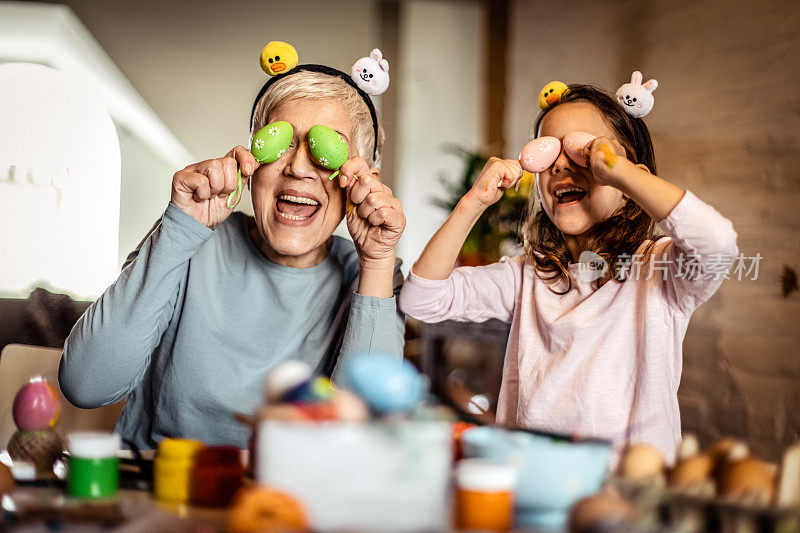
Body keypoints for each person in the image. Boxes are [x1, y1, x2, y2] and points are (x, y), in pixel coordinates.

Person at [59, 65, 406, 449]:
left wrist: (376, 264)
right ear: (252, 164)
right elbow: (86, 384)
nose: (297, 168)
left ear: (362, 181)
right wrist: (179, 229)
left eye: (325, 148)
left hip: (283, 503)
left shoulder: (372, 274)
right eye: (283, 142)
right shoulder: (193, 239)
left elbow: (361, 447)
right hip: (157, 492)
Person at [398, 83, 738, 466]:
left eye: (583, 152)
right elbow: (421, 299)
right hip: (533, 484)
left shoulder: (660, 271)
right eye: (550, 152)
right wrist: (472, 203)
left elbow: (717, 242)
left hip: (627, 498)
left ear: (629, 187)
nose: (561, 164)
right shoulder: (527, 276)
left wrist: (617, 170)